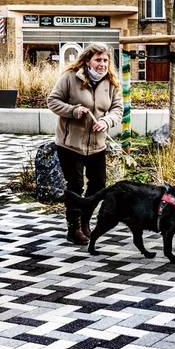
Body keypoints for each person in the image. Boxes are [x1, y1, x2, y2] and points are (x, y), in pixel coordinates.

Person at [47, 43, 123, 244]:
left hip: (97, 145)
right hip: (70, 144)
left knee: (98, 186)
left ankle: (85, 221)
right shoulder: (71, 78)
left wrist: (107, 121)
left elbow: (117, 108)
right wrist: (73, 110)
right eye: (98, 60)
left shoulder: (111, 82)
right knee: (75, 185)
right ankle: (74, 228)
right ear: (87, 60)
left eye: (105, 60)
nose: (102, 64)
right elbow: (52, 101)